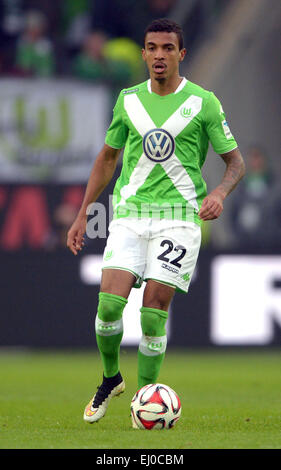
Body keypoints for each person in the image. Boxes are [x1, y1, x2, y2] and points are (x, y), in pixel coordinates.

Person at [67, 18, 245, 424]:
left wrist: (218, 193)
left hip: (179, 219)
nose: (159, 55)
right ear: (144, 53)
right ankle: (111, 378)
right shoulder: (128, 100)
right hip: (129, 214)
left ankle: (145, 397)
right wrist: (83, 214)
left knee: (151, 314)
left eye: (167, 48)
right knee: (109, 307)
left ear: (181, 54)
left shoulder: (204, 103)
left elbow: (234, 163)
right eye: (152, 48)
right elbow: (107, 159)